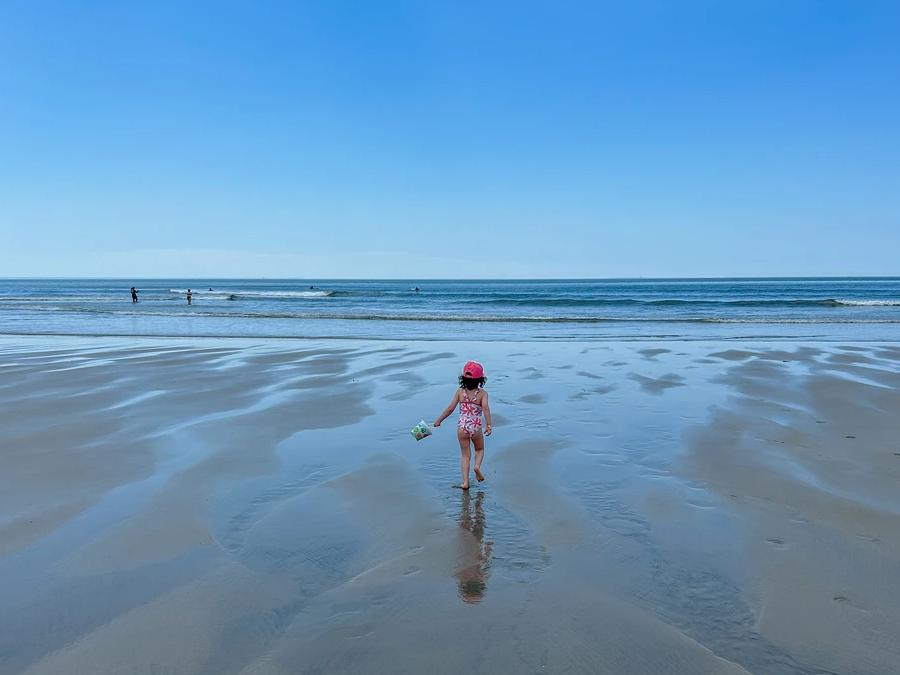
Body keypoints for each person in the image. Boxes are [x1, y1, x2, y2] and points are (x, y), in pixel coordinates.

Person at [434, 360, 492, 490]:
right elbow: (485, 408)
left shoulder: (460, 392)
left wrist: (439, 420)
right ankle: (477, 467)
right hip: (475, 427)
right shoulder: (483, 394)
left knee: (465, 455)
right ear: (481, 379)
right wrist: (488, 425)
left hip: (462, 428)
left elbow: (450, 408)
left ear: (463, 378)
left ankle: (465, 482)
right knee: (479, 449)